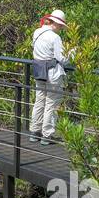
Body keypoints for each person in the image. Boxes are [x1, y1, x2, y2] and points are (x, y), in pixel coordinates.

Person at [29, 9, 69, 141]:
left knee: (39, 101)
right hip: (53, 74)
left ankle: (35, 132)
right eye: (61, 26)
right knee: (51, 104)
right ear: (55, 24)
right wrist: (72, 53)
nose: (61, 28)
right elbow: (62, 59)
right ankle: (47, 134)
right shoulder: (55, 37)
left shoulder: (37, 32)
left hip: (40, 71)